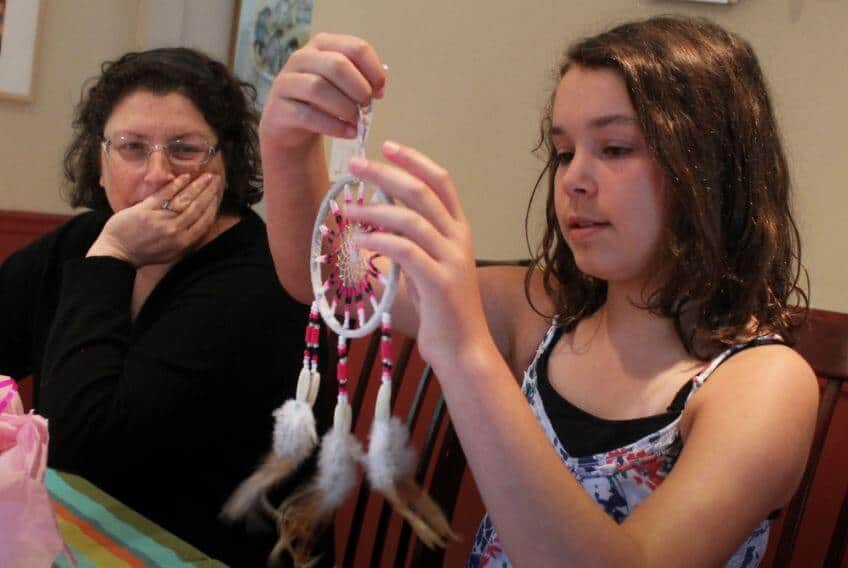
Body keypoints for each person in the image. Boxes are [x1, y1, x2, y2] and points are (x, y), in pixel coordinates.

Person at [260, 15, 820, 567]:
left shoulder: (763, 385)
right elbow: (331, 278)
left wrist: (466, 353)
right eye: (563, 151)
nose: (574, 177)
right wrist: (287, 142)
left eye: (616, 148)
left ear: (713, 169)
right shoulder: (539, 310)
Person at [0, 47, 333, 567]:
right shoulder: (86, 238)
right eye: (131, 147)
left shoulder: (257, 284)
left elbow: (85, 450)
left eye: (184, 149)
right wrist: (108, 249)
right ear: (99, 162)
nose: (157, 175)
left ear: (227, 162)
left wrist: (114, 255)